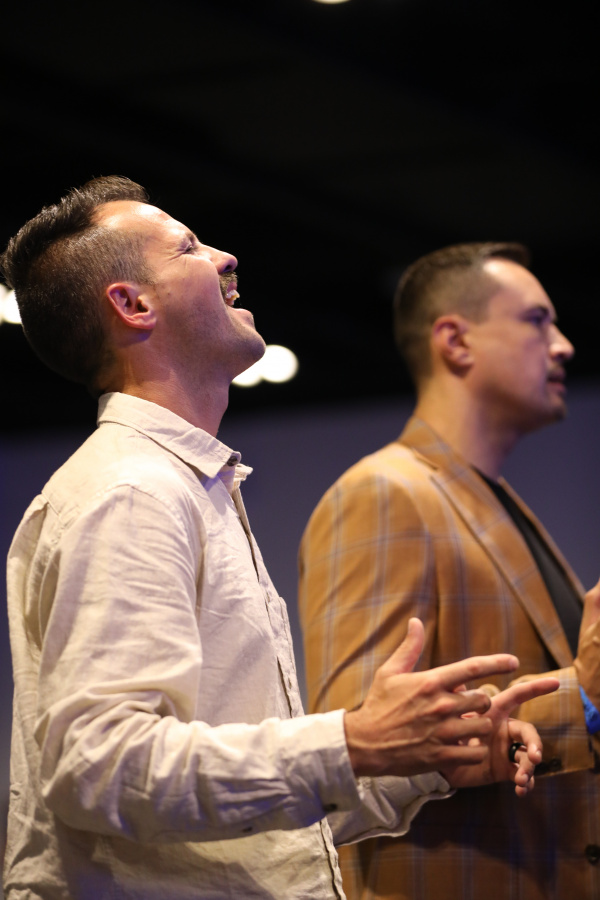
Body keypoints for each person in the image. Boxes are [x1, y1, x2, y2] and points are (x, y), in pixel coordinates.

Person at [1, 183, 556, 900]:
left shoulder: (184, 485)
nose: (225, 257)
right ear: (132, 305)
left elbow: (261, 835)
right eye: (188, 247)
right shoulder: (133, 490)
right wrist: (353, 741)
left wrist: (421, 759)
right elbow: (101, 769)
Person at [299, 241, 600, 900]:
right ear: (456, 342)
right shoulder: (383, 494)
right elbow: (357, 753)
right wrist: (584, 702)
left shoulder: (493, 502)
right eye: (537, 321)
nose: (564, 345)